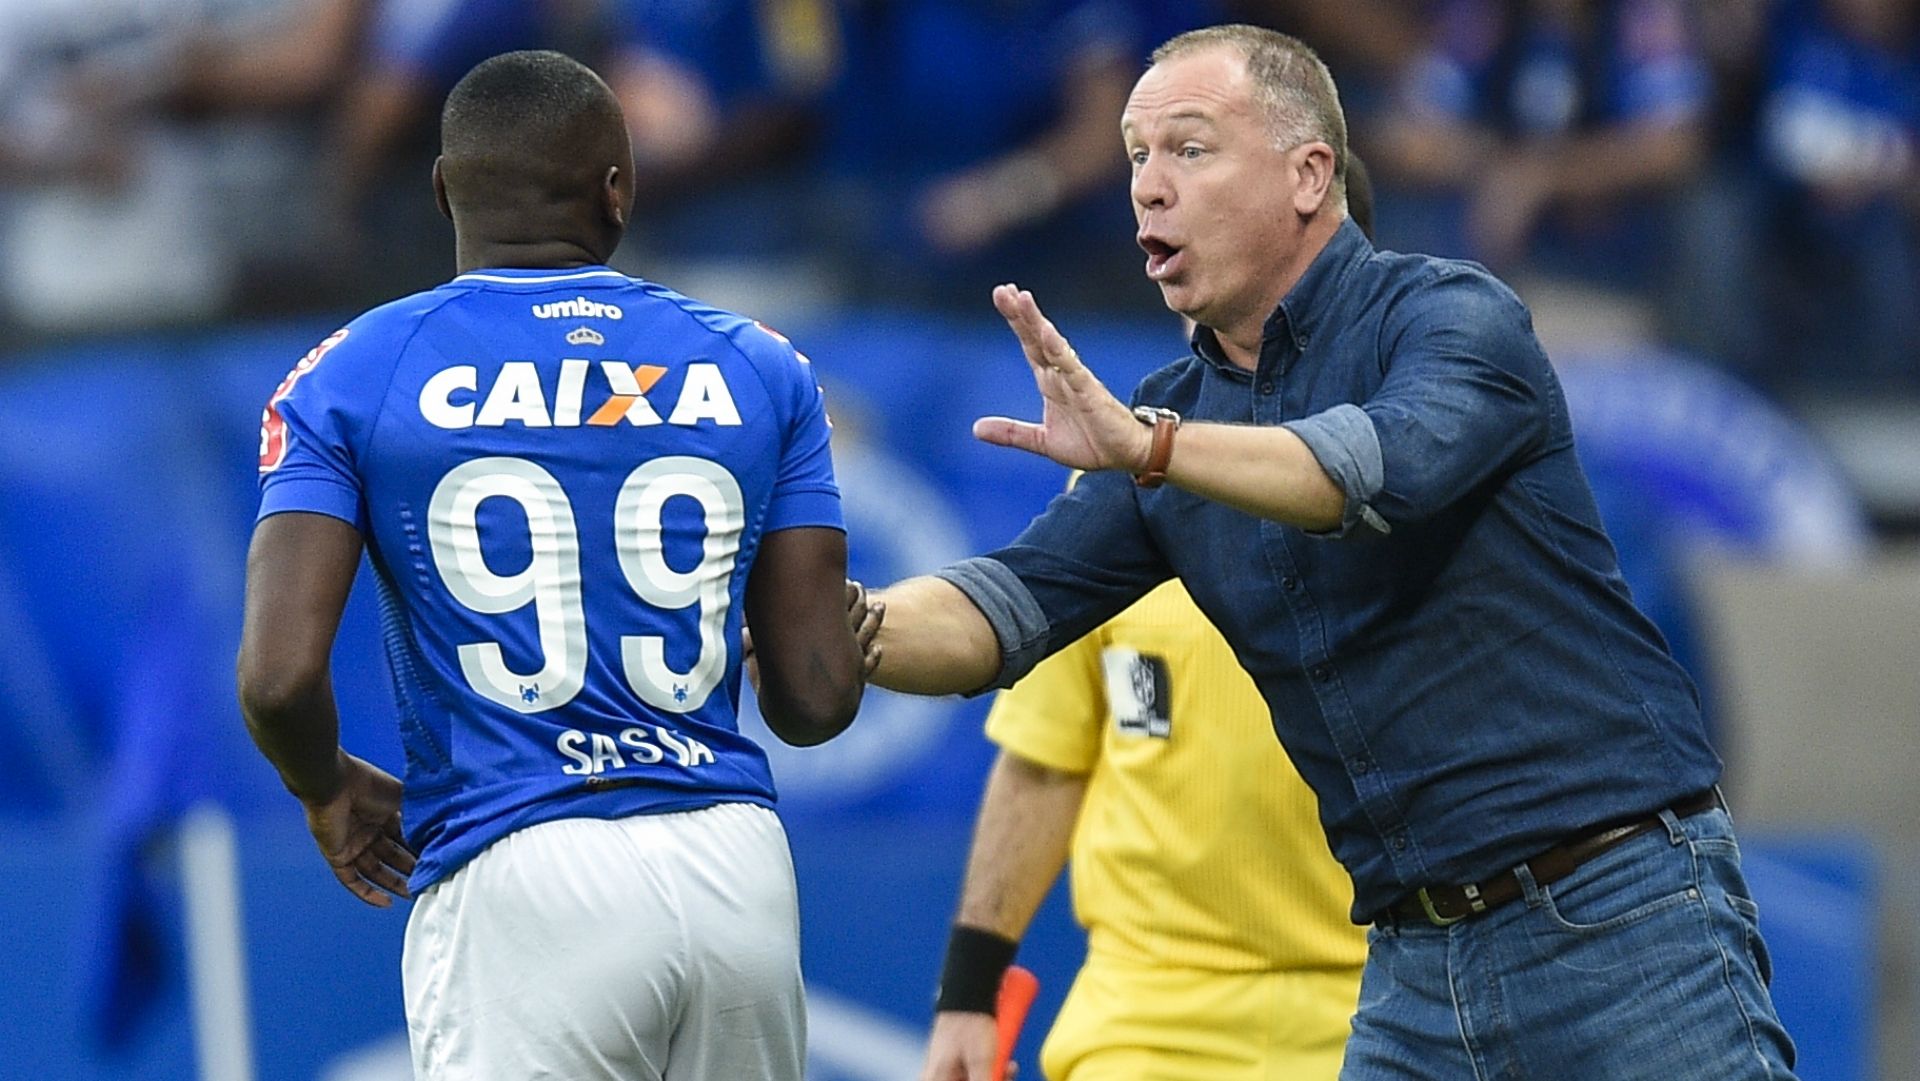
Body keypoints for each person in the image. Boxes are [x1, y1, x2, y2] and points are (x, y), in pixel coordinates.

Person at [869, 24, 1797, 1079]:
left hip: (1614, 911)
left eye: (1189, 148)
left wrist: (1156, 449)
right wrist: (825, 624)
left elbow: (1362, 472)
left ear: (1311, 175)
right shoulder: (1162, 431)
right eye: (1134, 156)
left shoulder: (1452, 318)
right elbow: (995, 614)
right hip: (1409, 963)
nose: (1148, 186)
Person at [234, 50, 869, 1080]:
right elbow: (816, 698)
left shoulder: (350, 372)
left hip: (517, 861)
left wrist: (325, 786)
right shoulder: (761, 364)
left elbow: (276, 677)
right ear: (619, 190)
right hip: (734, 864)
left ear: (442, 190)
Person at [919, 162, 1380, 1081]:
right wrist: (969, 992)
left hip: (1389, 1017)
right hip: (1142, 1026)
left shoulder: (1421, 479)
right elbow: (1046, 757)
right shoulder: (1115, 489)